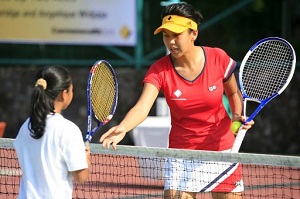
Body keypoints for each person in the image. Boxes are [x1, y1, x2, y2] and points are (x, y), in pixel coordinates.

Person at [100, 3, 254, 199]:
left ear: (193, 34)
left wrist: (237, 117)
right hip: (182, 153)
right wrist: (122, 127)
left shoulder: (218, 58)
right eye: (166, 35)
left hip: (222, 149)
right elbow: (142, 107)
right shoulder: (159, 70)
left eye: (176, 35)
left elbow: (233, 94)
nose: (171, 41)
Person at [14, 65, 91, 199]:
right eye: (71, 89)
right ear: (64, 94)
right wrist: (87, 158)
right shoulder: (68, 129)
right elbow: (81, 177)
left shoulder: (25, 126)